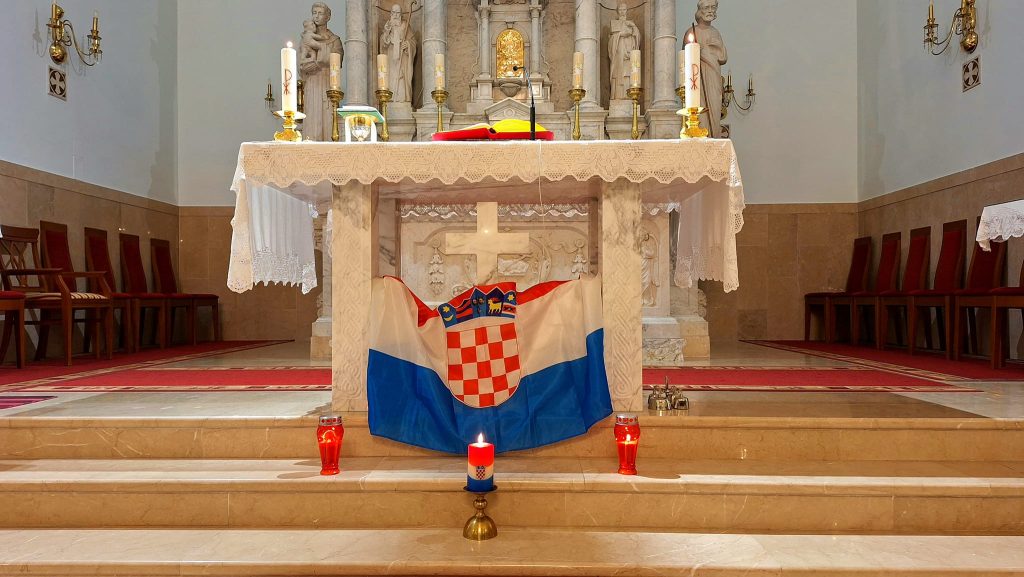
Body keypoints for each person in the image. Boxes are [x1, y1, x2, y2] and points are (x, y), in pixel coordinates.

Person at [298, 2, 343, 141]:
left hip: (329, 84)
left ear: (328, 17)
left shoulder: (335, 40)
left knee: (328, 121)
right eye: (314, 13)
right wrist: (316, 63)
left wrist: (319, 61)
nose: (316, 16)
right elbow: (301, 65)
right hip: (312, 84)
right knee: (312, 119)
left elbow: (337, 60)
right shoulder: (306, 37)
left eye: (320, 13)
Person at [691, 0, 727, 138]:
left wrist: (708, 51)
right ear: (700, 10)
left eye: (713, 7)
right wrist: (699, 51)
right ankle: (702, 137)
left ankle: (714, 137)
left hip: (713, 75)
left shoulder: (715, 32)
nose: (711, 10)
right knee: (700, 109)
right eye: (707, 7)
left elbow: (723, 57)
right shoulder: (692, 31)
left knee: (715, 106)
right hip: (697, 78)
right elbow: (686, 57)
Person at [380, 4, 417, 103]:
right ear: (390, 14)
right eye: (393, 12)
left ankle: (402, 99)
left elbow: (413, 42)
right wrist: (386, 33)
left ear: (401, 14)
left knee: (401, 80)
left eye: (397, 13)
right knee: (390, 78)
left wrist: (407, 45)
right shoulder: (388, 26)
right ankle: (390, 99)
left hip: (402, 58)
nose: (395, 15)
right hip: (390, 58)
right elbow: (383, 44)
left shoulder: (406, 26)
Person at [608, 2, 640, 101]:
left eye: (624, 9)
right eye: (620, 10)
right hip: (618, 55)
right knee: (617, 74)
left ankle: (629, 96)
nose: (622, 12)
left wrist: (633, 26)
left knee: (628, 74)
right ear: (617, 11)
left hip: (628, 54)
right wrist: (620, 34)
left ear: (627, 11)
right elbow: (610, 42)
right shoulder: (614, 24)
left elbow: (637, 38)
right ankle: (617, 96)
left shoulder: (630, 24)